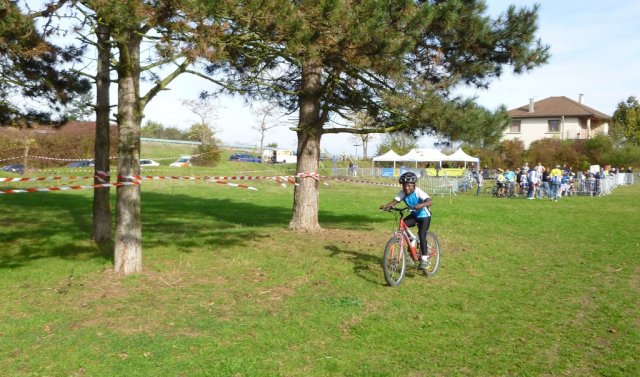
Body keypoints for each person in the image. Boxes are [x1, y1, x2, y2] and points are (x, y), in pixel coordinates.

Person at [380, 172, 433, 271]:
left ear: (414, 185)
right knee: (402, 225)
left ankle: (424, 260)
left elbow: (430, 201)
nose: (406, 188)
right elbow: (395, 201)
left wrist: (420, 205)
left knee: (422, 235)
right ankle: (412, 240)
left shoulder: (418, 192)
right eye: (404, 185)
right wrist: (387, 206)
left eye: (409, 185)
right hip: (414, 215)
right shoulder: (402, 193)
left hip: (425, 216)